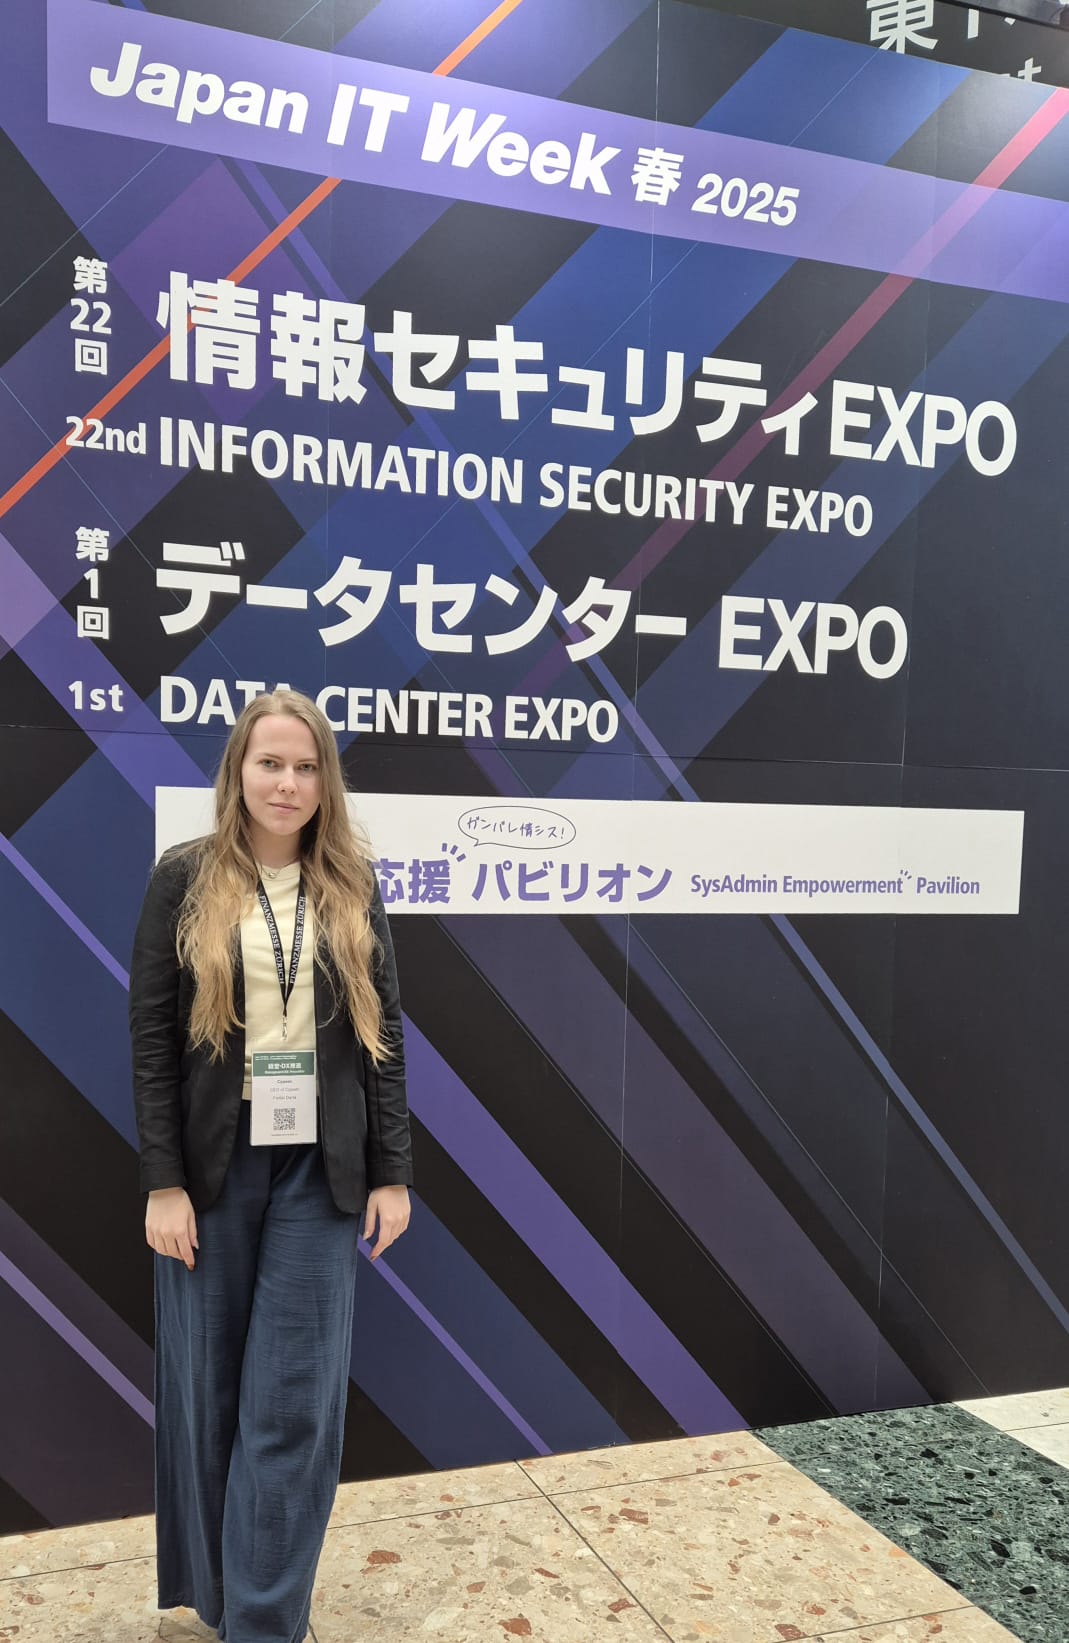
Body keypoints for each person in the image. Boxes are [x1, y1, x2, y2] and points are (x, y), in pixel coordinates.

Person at [129, 688, 413, 1643]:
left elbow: (383, 1037)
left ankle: (262, 1623)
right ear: (238, 772)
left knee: (293, 1405)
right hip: (211, 1171)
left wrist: (391, 1170)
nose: (286, 783)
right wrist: (162, 1181)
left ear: (325, 781)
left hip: (320, 1174)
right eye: (269, 763)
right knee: (210, 1396)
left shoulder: (351, 883)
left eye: (305, 766)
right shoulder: (184, 877)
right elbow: (152, 1038)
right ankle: (220, 1597)